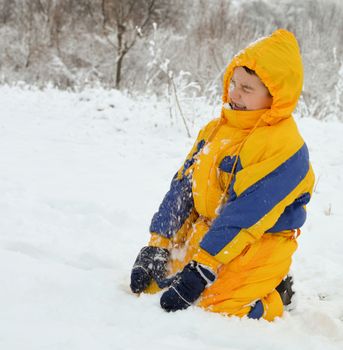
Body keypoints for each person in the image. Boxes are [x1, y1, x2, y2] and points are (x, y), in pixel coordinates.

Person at [130, 29, 315, 321]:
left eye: (247, 89)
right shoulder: (216, 129)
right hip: (215, 232)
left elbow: (245, 215)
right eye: (233, 83)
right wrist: (159, 244)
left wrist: (203, 268)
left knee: (214, 305)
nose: (234, 93)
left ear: (275, 97)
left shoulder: (284, 148)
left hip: (260, 241)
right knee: (157, 284)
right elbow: (183, 190)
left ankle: (277, 296)